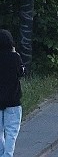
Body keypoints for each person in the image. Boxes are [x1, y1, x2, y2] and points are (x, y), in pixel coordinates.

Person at [0, 29, 24, 157]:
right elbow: (21, 73)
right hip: (13, 100)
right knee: (11, 132)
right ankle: (8, 155)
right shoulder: (15, 57)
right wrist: (14, 52)